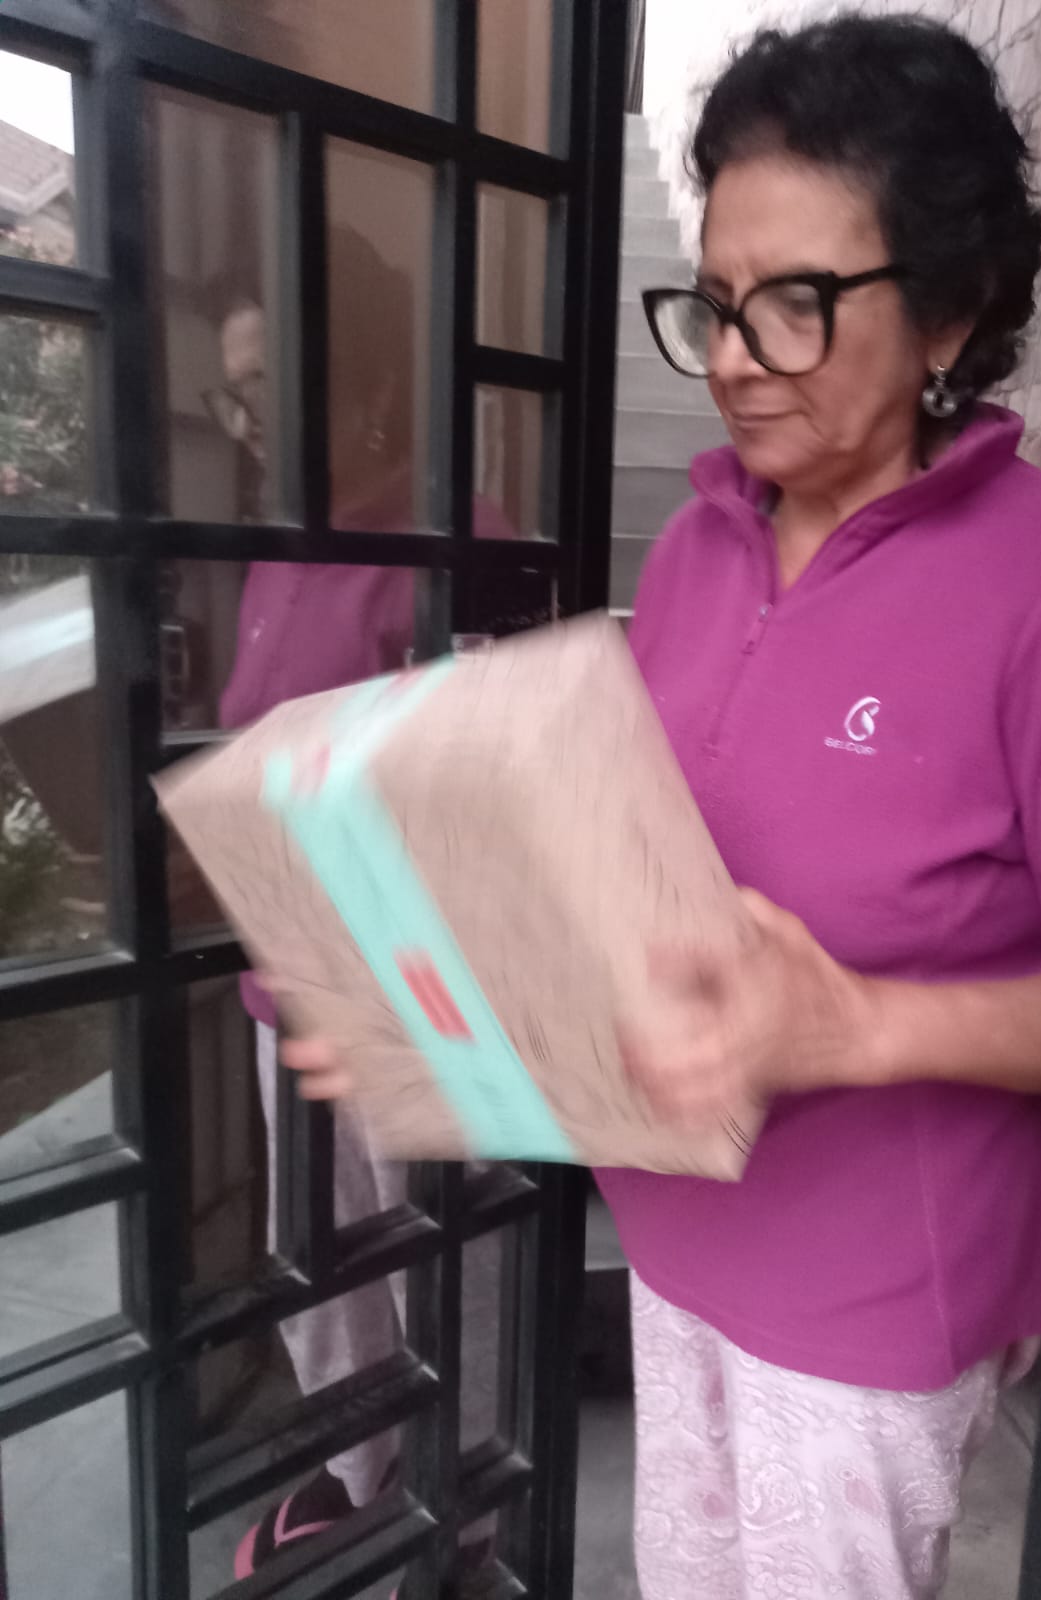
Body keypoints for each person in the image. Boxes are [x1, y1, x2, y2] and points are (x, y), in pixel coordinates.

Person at [288, 17, 1041, 1600]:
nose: (738, 358)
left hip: (876, 1291)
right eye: (717, 303)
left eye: (797, 304)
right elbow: (650, 894)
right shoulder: (694, 552)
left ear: (952, 308)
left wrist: (858, 1026)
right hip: (677, 1237)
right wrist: (452, 1007)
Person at [212, 230, 511, 1582]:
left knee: (447, 1274)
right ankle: (360, 1467)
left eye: (268, 385)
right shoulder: (275, 549)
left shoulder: (457, 544)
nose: (246, 421)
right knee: (324, 1272)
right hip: (286, 988)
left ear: (366, 381)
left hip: (414, 1002)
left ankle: (470, 1513)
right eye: (232, 391)